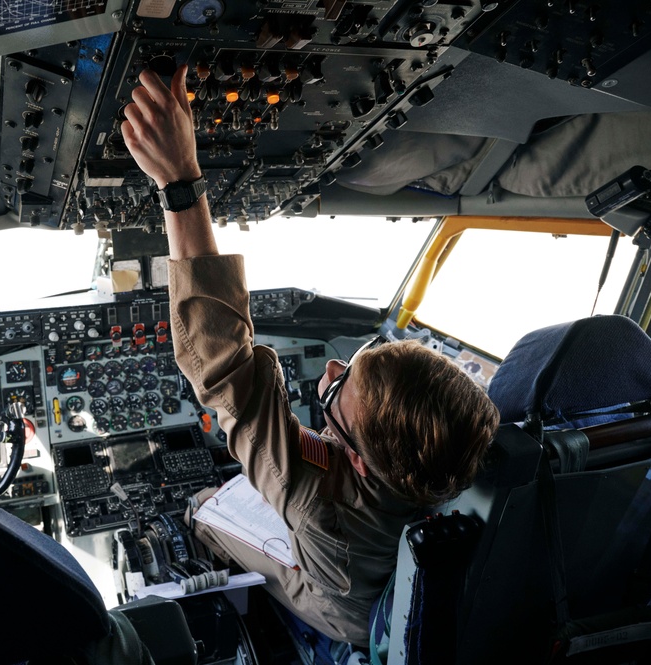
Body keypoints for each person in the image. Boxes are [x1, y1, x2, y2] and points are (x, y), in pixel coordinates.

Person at [120, 65, 500, 657]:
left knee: (201, 509)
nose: (328, 372)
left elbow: (224, 372)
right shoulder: (454, 463)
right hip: (384, 580)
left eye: (336, 397)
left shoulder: (321, 502)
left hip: (337, 606)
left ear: (357, 465)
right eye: (350, 365)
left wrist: (179, 180)